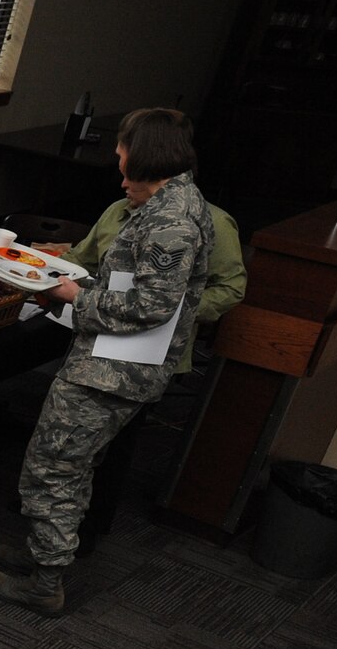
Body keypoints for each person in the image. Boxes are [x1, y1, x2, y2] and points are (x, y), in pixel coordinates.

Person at [0, 109, 214, 615]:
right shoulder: (174, 203)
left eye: (122, 156)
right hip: (115, 359)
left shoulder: (171, 222)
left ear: (146, 155)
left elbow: (151, 306)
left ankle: (45, 582)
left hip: (114, 369)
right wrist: (77, 290)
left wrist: (74, 296)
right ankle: (42, 552)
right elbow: (135, 286)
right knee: (70, 463)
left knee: (54, 467)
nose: (119, 167)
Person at [72, 193, 245, 551]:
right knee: (73, 437)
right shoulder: (117, 209)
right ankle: (55, 516)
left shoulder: (211, 220)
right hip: (96, 340)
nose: (124, 181)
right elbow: (80, 258)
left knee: (113, 445)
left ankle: (88, 528)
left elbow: (231, 288)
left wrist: (170, 312)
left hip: (148, 352)